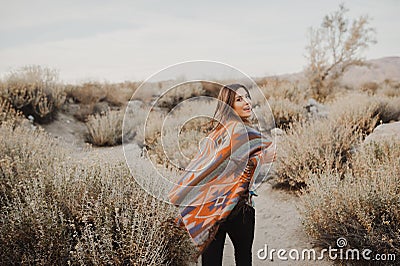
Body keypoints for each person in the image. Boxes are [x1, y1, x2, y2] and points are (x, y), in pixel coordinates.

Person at [169, 84, 276, 266]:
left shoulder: (216, 134)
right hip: (239, 209)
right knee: (243, 258)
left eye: (247, 97)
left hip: (213, 209)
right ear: (229, 105)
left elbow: (202, 169)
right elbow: (267, 155)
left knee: (211, 261)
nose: (247, 102)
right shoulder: (244, 134)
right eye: (239, 99)